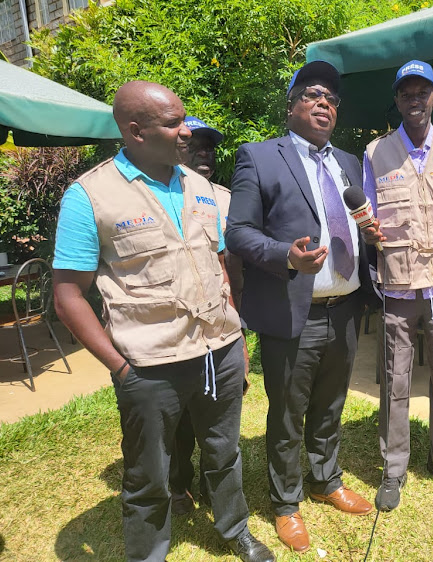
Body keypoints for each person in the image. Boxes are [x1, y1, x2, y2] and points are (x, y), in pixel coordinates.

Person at [52, 81, 274, 562]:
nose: (186, 132)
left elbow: (220, 267)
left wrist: (235, 337)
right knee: (149, 473)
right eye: (174, 122)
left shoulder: (204, 190)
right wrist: (120, 367)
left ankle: (234, 528)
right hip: (149, 365)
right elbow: (68, 296)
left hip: (219, 353)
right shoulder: (90, 196)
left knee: (224, 452)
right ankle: (149, 553)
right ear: (135, 131)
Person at [226, 61, 373, 554]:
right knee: (288, 414)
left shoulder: (349, 163)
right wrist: (284, 256)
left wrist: (369, 237)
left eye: (332, 98)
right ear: (291, 105)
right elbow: (239, 232)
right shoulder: (260, 157)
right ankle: (286, 503)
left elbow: (352, 218)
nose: (324, 103)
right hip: (295, 312)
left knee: (330, 406)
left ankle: (325, 481)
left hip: (346, 307)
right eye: (312, 94)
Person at [362, 60, 433, 512]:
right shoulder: (376, 152)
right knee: (396, 378)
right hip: (397, 283)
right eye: (405, 93)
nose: (414, 99)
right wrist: (368, 233)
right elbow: (366, 215)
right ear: (397, 100)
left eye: (422, 91)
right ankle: (394, 468)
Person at [169, 116, 247, 514]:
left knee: (219, 412)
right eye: (195, 144)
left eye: (211, 147)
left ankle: (211, 485)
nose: (205, 152)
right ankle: (178, 484)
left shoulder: (225, 197)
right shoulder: (155, 194)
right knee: (179, 416)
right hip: (174, 332)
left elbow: (232, 259)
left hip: (224, 322)